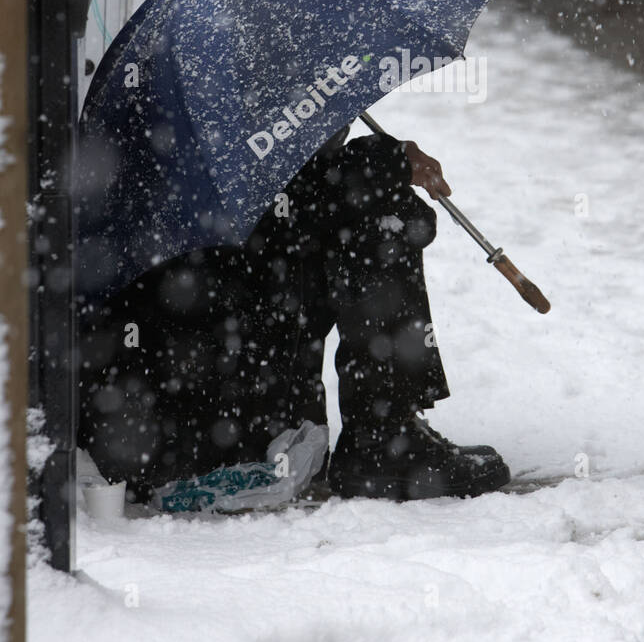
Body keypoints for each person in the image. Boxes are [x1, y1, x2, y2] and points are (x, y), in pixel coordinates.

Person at [78, 128, 511, 505]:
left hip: (148, 421)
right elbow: (294, 193)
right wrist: (387, 163)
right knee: (380, 215)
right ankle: (381, 440)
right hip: (200, 425)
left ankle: (384, 433)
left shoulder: (197, 96)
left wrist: (385, 162)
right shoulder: (237, 101)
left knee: (373, 207)